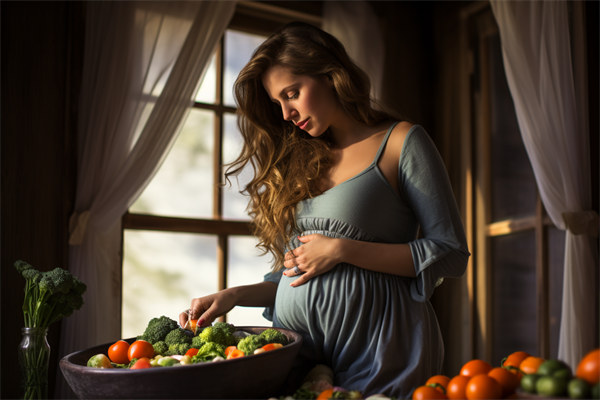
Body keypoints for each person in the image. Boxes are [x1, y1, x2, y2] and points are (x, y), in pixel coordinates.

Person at [179, 22, 469, 398]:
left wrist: (344, 249)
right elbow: (295, 270)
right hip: (300, 357)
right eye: (278, 103)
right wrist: (233, 296)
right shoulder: (301, 161)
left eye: (292, 93)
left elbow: (450, 253)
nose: (286, 113)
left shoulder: (401, 142)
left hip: (380, 352)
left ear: (330, 74)